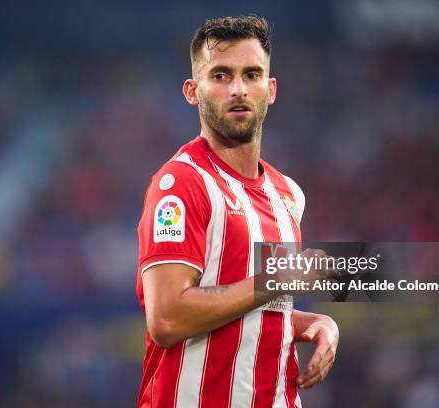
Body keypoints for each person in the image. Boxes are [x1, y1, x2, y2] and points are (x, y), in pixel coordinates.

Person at [136, 15, 339, 408]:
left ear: (271, 89)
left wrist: (316, 323)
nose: (239, 89)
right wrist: (277, 279)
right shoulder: (180, 184)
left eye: (252, 74)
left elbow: (258, 314)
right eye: (221, 76)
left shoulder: (287, 194)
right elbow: (168, 319)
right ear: (193, 91)